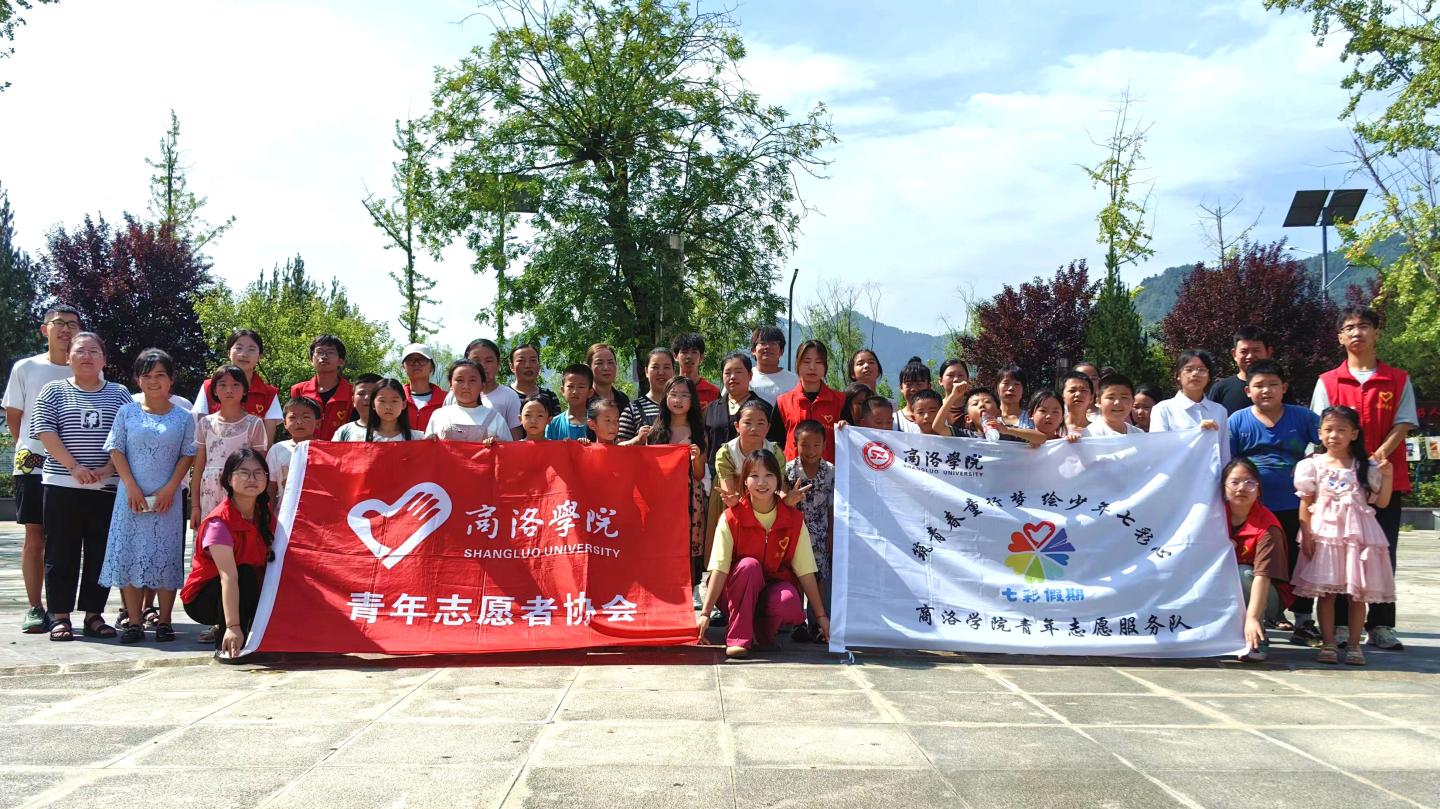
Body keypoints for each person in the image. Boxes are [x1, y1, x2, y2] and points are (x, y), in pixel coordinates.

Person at [1310, 306, 1417, 652]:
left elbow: (1404, 422)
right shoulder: (1328, 381)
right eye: (1350, 328)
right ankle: (1341, 625)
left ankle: (1381, 625)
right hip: (1339, 482)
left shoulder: (1397, 378)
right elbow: (1320, 429)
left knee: (1381, 552)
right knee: (1340, 552)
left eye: (1365, 326)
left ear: (1377, 332)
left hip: (1385, 479)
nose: (1357, 333)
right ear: (1340, 337)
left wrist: (1379, 455)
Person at [31, 332, 132, 641]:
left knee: (100, 552)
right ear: (68, 357)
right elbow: (45, 431)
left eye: (93, 351)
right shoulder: (54, 390)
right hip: (62, 484)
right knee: (61, 551)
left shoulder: (119, 393)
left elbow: (129, 435)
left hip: (106, 487)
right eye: (80, 350)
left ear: (104, 359)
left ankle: (93, 615)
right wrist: (74, 467)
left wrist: (108, 468)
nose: (87, 356)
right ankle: (59, 616)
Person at [99, 349, 196, 644]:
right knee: (129, 554)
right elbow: (116, 449)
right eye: (147, 375)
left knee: (165, 554)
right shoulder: (126, 412)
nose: (154, 381)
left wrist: (170, 488)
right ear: (138, 379)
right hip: (130, 496)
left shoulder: (184, 417)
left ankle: (165, 620)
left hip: (168, 498)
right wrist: (130, 485)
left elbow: (188, 454)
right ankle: (134, 621)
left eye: (160, 375)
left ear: (171, 379)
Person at [1292, 406, 1396, 666]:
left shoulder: (1365, 466)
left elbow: (1382, 502)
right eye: (1328, 429)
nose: (1334, 435)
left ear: (1354, 433)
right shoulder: (1311, 465)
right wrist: (1307, 535)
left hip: (1358, 536)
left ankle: (1354, 645)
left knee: (1356, 594)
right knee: (1326, 593)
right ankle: (1328, 642)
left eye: (1341, 430)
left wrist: (1388, 476)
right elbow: (1305, 502)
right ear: (1319, 433)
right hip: (1324, 535)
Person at [697, 449, 826, 658]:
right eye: (754, 476)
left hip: (771, 589)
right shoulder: (731, 517)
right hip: (734, 589)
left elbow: (806, 572)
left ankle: (762, 634)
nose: (762, 482)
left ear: (778, 480)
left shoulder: (793, 519)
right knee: (749, 565)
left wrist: (821, 618)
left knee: (789, 601)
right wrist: (705, 613)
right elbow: (719, 569)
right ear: (744, 481)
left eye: (769, 475)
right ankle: (738, 637)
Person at [1228, 359, 1321, 644]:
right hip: (1252, 510)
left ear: (1284, 388)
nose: (1266, 390)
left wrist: (1312, 462)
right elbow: (1227, 464)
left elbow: (1330, 441)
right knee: (1253, 565)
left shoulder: (1303, 417)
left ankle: (1303, 621)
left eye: (1272, 384)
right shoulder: (1237, 421)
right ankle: (1258, 619)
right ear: (1248, 391)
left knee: (1300, 562)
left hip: (1296, 506)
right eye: (1258, 385)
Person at [3, 303, 82, 633]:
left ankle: (62, 609)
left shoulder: (87, 368)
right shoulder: (26, 368)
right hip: (33, 463)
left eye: (73, 324)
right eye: (59, 323)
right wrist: (31, 447)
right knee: (34, 534)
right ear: (44, 329)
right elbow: (14, 417)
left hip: (75, 467)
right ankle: (35, 607)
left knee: (65, 537)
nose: (66, 329)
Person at [181, 448, 275, 659]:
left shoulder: (264, 515)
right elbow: (228, 577)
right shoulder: (219, 523)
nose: (252, 479)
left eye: (258, 473)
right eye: (244, 473)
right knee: (244, 573)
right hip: (206, 598)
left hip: (246, 588)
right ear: (229, 479)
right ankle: (227, 641)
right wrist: (233, 627)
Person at [647, 377, 708, 599]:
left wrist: (696, 459)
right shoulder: (656, 431)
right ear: (665, 398)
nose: (678, 400)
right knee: (664, 542)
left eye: (684, 395)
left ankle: (690, 590)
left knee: (689, 542)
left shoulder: (698, 431)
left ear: (692, 400)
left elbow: (700, 475)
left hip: (690, 497)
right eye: (673, 395)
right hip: (663, 498)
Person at [1222, 458, 1288, 663]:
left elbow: (1262, 577)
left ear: (1259, 490)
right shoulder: (1213, 516)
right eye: (1234, 482)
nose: (1242, 488)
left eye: (1249, 482)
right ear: (1223, 487)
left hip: (1264, 593)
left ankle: (1256, 636)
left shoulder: (1268, 527)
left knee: (1244, 574)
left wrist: (1251, 618)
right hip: (1222, 588)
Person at [192, 366, 270, 530]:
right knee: (211, 537)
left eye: (235, 384)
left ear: (245, 390)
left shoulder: (254, 424)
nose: (229, 390)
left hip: (242, 491)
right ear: (214, 390)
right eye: (222, 384)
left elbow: (260, 469)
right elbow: (198, 468)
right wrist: (195, 507)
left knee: (240, 535)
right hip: (209, 492)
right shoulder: (205, 424)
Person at [785, 419, 834, 643]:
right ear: (795, 444)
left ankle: (818, 624)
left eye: (816, 445)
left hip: (821, 535)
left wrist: (831, 535)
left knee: (820, 577)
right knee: (796, 577)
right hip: (795, 534)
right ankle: (798, 623)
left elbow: (832, 507)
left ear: (824, 444)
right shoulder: (788, 470)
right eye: (805, 445)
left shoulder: (831, 471)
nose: (811, 450)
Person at [703, 351, 786, 474]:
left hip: (754, 476)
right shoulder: (711, 409)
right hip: (715, 476)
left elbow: (776, 443)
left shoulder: (763, 408)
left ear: (750, 376)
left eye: (738, 372)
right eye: (727, 373)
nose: (732, 377)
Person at [191, 329, 282, 436]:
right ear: (229, 353)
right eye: (238, 348)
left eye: (251, 349)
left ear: (260, 357)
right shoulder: (209, 387)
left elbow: (267, 440)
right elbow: (201, 432)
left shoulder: (269, 394)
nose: (244, 354)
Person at [1150, 350, 1229, 464]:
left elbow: (1224, 453)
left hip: (1212, 474)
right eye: (1189, 369)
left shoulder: (1219, 411)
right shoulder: (1163, 410)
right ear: (1178, 375)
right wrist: (1196, 432)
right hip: (1178, 474)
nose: (1195, 374)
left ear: (1209, 376)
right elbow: (1157, 450)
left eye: (1202, 370)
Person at [776, 339, 843, 462]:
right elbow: (775, 443)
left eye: (818, 362)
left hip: (829, 471)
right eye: (806, 361)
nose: (812, 367)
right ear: (797, 364)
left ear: (825, 366)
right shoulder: (783, 402)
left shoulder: (840, 400)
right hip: (793, 471)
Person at [447, 339, 523, 439]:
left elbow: (515, 439)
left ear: (498, 365)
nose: (482, 366)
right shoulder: (453, 395)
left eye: (488, 361)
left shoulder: (509, 396)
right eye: (476, 360)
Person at [425, 359, 514, 443]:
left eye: (472, 380)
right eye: (460, 380)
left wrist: (498, 445)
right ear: (450, 384)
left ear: (482, 385)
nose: (466, 386)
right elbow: (427, 450)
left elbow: (508, 451)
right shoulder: (439, 415)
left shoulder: (495, 418)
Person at [289, 335, 353, 441]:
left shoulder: (352, 392)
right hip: (305, 448)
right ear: (311, 359)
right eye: (319, 352)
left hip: (339, 449)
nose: (324, 356)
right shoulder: (298, 390)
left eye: (330, 352)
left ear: (341, 361)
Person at [267, 396, 319, 511]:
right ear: (284, 423)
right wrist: (269, 515)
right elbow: (271, 488)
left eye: (306, 417)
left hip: (316, 512)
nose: (299, 422)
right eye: (293, 417)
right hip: (285, 513)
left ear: (318, 422)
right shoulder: (277, 450)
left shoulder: (324, 450)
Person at [1208, 326, 1275, 415]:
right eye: (1244, 351)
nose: (1250, 356)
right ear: (1234, 354)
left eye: (1256, 350)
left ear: (1268, 352)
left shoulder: (1278, 388)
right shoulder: (1221, 389)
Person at [952, 388, 1049, 446]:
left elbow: (1041, 438)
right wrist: (952, 396)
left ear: (998, 413)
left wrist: (1007, 430)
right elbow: (941, 428)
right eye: (975, 404)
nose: (981, 405)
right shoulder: (966, 436)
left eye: (987, 402)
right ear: (968, 418)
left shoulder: (1007, 433)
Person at [617, 348, 676, 444]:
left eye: (666, 367)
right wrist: (637, 440)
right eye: (655, 367)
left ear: (674, 371)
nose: (661, 372)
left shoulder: (683, 406)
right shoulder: (633, 409)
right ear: (646, 372)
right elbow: (618, 447)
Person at [358, 378, 422, 441]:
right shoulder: (361, 438)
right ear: (373, 405)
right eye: (382, 401)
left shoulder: (417, 438)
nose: (388, 407)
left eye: (394, 401)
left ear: (403, 404)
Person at [400, 343, 446, 432]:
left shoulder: (446, 400)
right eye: (410, 360)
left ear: (432, 366)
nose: (416, 363)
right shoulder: (395, 398)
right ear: (403, 367)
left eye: (422, 359)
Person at [748, 326, 798, 405]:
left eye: (773, 343)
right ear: (753, 350)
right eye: (762, 343)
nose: (767, 347)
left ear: (781, 351)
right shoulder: (744, 378)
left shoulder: (794, 381)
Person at [546, 364, 594, 440]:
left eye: (581, 387)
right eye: (570, 386)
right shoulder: (553, 424)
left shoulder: (597, 423)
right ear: (563, 390)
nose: (575, 391)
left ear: (590, 392)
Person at [672, 333, 720, 409]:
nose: (689, 356)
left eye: (694, 352)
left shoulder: (713, 392)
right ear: (675, 356)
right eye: (684, 352)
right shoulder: (669, 389)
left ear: (701, 357)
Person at [332, 373, 383, 442]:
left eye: (373, 393)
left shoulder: (396, 432)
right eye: (361, 393)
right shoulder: (344, 431)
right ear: (353, 401)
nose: (367, 397)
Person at [586, 342, 631, 411]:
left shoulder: (623, 399)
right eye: (599, 363)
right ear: (589, 367)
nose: (606, 368)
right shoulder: (583, 399)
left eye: (610, 362)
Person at [893, 357, 933, 433]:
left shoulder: (938, 420)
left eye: (919, 384)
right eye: (908, 384)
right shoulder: (893, 420)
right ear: (901, 387)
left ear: (929, 387)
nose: (913, 389)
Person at [933, 358, 971, 432]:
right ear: (940, 381)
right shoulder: (935, 407)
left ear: (967, 380)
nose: (956, 379)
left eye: (960, 375)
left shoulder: (974, 406)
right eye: (950, 375)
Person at [1059, 371, 1095, 438]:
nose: (1078, 394)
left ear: (1091, 397)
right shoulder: (1054, 430)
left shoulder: (1099, 430)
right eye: (1072, 391)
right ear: (1062, 397)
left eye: (1083, 390)